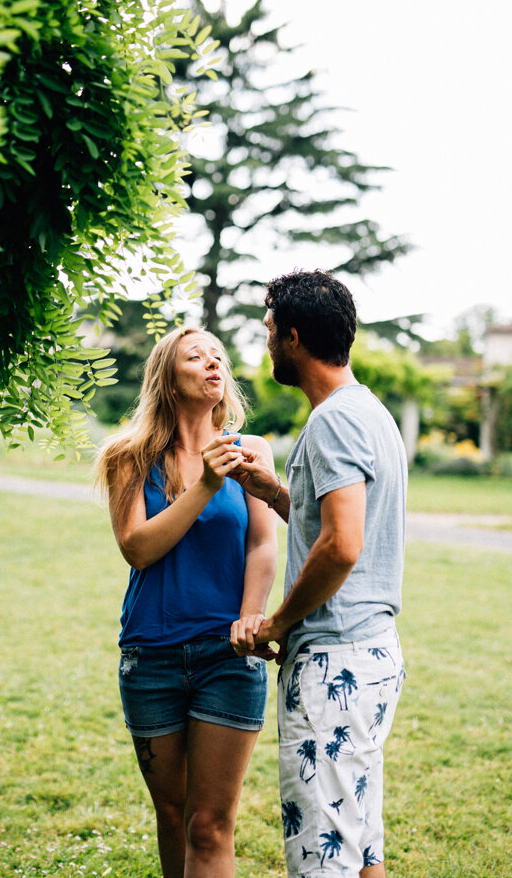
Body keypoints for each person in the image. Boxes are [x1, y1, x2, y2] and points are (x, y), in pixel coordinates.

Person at [230, 270, 407, 878]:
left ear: (296, 339)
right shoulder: (370, 412)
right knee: (362, 848)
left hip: (335, 665)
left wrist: (277, 621)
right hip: (374, 655)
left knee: (322, 857)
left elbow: (341, 545)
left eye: (271, 331)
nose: (268, 343)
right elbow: (328, 523)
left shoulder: (331, 421)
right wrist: (274, 491)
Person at [95, 326, 278, 878]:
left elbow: (263, 542)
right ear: (168, 380)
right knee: (172, 814)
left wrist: (251, 615)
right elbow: (137, 548)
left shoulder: (252, 451)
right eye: (195, 357)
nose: (212, 363)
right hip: (150, 658)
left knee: (210, 823)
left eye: (218, 356)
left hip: (228, 656)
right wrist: (203, 483)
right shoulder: (129, 456)